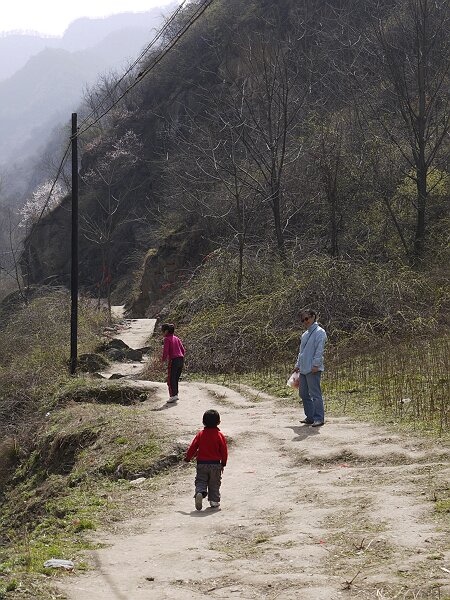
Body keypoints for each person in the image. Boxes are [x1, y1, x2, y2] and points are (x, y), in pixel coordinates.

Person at [184, 409, 228, 511]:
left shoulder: (200, 434)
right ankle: (214, 501)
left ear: (203, 422)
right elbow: (224, 450)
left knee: (201, 480)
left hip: (201, 464)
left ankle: (200, 492)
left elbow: (193, 447)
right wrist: (223, 463)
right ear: (219, 422)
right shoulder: (219, 435)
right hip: (215, 465)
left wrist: (187, 458)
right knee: (214, 483)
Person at [294, 309, 327, 427]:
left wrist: (316, 365)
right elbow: (301, 352)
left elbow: (319, 350)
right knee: (303, 394)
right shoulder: (305, 334)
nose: (305, 321)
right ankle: (310, 417)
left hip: (313, 368)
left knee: (315, 394)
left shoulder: (320, 332)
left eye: (307, 318)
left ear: (313, 317)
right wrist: (297, 365)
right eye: (303, 320)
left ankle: (319, 418)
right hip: (303, 368)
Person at [161, 323, 185, 403]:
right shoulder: (176, 338)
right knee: (176, 378)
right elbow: (183, 350)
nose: (162, 333)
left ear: (166, 331)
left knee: (171, 378)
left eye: (163, 331)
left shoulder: (167, 339)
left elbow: (166, 351)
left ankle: (173, 395)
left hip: (173, 360)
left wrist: (163, 360)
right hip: (181, 359)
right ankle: (176, 394)